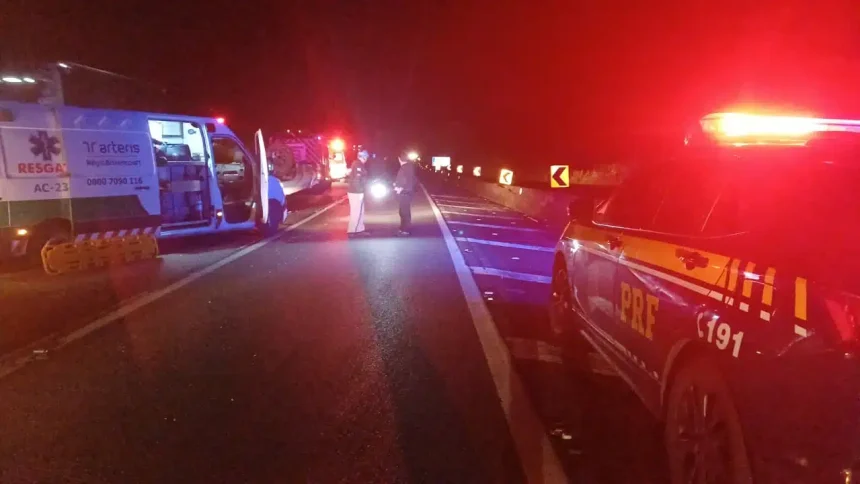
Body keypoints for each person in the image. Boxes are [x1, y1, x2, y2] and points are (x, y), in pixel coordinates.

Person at [394, 150, 418, 236]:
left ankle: (405, 229)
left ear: (399, 159)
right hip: (409, 192)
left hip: (404, 192)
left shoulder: (404, 168)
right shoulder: (410, 167)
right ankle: (403, 228)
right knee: (404, 211)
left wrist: (398, 187)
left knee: (404, 212)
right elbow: (413, 179)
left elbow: (402, 179)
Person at [346, 150, 370, 237]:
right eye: (366, 157)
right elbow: (357, 180)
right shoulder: (358, 165)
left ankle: (359, 229)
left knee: (360, 211)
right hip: (356, 192)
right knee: (356, 212)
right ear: (363, 157)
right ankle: (352, 231)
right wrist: (360, 191)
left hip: (358, 191)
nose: (367, 159)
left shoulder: (359, 164)